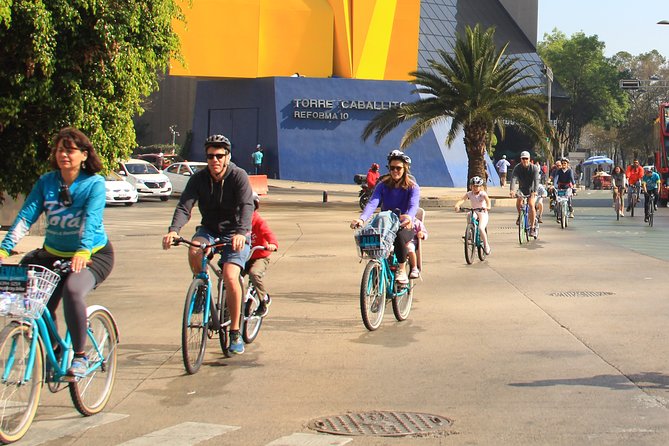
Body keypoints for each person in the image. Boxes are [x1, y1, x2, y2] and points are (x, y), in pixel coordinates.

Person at [0, 127, 114, 378]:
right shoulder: (47, 182)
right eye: (60, 150)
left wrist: (83, 251)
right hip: (53, 254)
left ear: (84, 155)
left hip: (94, 255)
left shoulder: (94, 183)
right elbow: (26, 216)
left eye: (70, 150)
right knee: (35, 302)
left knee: (72, 290)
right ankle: (55, 350)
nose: (64, 155)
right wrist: (4, 248)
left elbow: (91, 219)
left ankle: (80, 356)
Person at [162, 134, 253, 355]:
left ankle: (235, 331)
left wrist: (241, 233)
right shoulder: (199, 179)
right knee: (194, 248)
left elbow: (246, 206)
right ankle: (201, 287)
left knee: (230, 276)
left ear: (227, 156)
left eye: (219, 156)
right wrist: (174, 230)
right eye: (211, 156)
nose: (215, 160)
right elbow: (184, 207)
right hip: (210, 230)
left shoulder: (238, 176)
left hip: (235, 233)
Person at [350, 150, 420, 284]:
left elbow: (413, 205)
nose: (395, 171)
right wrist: (361, 219)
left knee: (399, 236)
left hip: (404, 224)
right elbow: (372, 203)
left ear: (405, 169)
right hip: (386, 224)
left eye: (398, 168)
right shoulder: (382, 185)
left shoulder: (413, 187)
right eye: (392, 168)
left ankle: (401, 269)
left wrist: (409, 217)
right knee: (370, 235)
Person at [246, 193, 278, 317]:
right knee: (229, 276)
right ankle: (226, 309)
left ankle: (264, 299)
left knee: (254, 273)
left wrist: (272, 244)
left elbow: (268, 234)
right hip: (244, 256)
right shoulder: (237, 220)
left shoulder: (258, 221)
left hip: (259, 256)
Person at [454, 176, 491, 255]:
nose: (475, 188)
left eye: (477, 186)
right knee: (469, 214)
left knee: (481, 228)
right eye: (473, 186)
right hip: (474, 211)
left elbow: (488, 200)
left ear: (480, 187)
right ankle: (470, 231)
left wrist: (488, 207)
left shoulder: (482, 194)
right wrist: (457, 205)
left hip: (482, 212)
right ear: (471, 186)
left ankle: (486, 245)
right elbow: (462, 200)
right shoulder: (469, 194)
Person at [509, 151, 540, 237]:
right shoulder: (517, 168)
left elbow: (536, 180)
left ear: (529, 159)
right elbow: (513, 178)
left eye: (526, 158)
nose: (525, 160)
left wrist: (535, 191)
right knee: (519, 200)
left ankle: (532, 227)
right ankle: (520, 215)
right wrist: (512, 190)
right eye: (523, 159)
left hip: (531, 189)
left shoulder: (534, 168)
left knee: (531, 204)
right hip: (522, 189)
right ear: (521, 159)